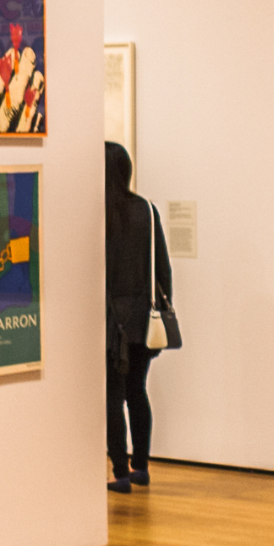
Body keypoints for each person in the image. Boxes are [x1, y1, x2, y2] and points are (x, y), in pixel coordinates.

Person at [105, 140, 170, 494]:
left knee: (113, 396)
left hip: (110, 321)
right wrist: (162, 308)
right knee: (136, 391)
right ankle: (141, 465)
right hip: (143, 319)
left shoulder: (100, 214)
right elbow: (163, 269)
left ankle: (120, 472)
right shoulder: (146, 210)